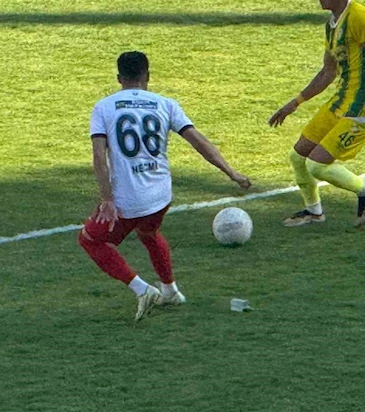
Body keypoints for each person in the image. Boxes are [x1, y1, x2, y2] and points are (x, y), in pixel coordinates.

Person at [79, 51, 251, 321]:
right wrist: (231, 172)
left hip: (129, 200)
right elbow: (199, 142)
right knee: (149, 232)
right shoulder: (165, 104)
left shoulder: (104, 107)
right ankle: (170, 291)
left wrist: (107, 199)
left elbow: (99, 156)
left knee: (90, 240)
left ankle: (142, 290)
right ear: (147, 76)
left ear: (118, 78)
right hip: (161, 195)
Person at [269, 0, 365, 228]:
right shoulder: (331, 25)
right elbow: (327, 72)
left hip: (364, 109)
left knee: (317, 166)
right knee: (298, 157)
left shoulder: (360, 17)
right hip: (341, 103)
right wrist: (293, 103)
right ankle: (314, 212)